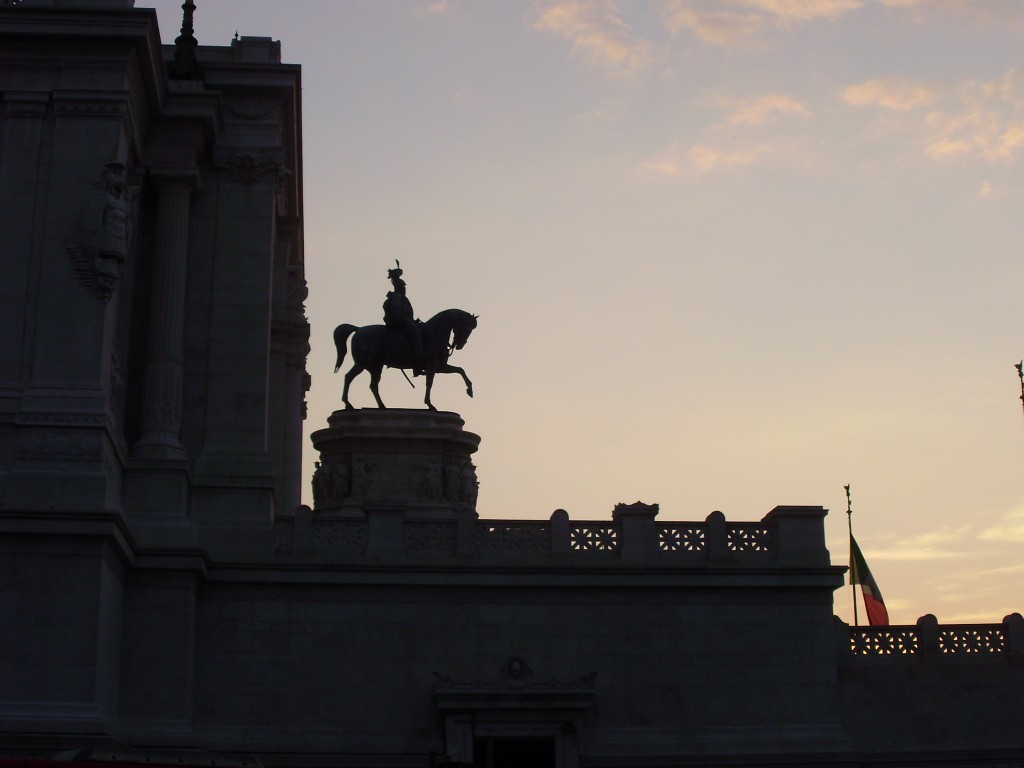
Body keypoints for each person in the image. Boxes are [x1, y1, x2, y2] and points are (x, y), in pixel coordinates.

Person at [382, 260, 424, 372]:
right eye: (403, 287)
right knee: (415, 334)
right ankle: (417, 362)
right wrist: (405, 320)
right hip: (400, 322)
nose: (405, 288)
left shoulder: (399, 297)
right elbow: (396, 311)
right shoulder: (397, 297)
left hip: (405, 320)